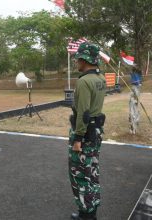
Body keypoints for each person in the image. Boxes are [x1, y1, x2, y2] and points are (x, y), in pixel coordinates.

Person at [69, 42, 106, 220]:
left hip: (84, 134)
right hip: (96, 131)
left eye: (78, 59)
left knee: (79, 174)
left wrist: (77, 139)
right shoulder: (101, 79)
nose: (77, 62)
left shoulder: (84, 81)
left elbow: (83, 113)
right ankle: (92, 209)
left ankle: (86, 214)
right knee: (92, 172)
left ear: (84, 59)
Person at [129, 66, 142, 134]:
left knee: (134, 111)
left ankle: (134, 128)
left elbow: (137, 83)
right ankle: (133, 128)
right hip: (135, 93)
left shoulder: (137, 75)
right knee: (133, 111)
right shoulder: (135, 74)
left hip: (136, 93)